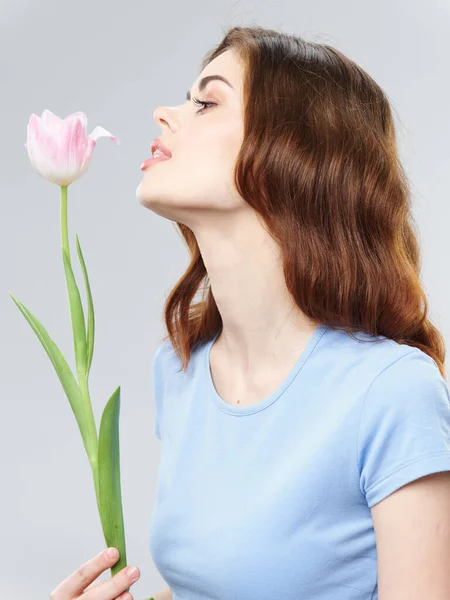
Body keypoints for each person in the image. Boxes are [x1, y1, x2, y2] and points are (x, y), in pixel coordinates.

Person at [51, 24, 450, 600]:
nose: (163, 113)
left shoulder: (392, 392)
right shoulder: (180, 370)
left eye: (206, 102)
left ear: (294, 154)